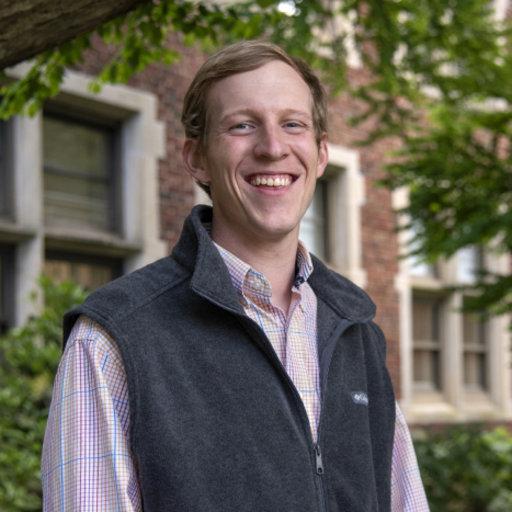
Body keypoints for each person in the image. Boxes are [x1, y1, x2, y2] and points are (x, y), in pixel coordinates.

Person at [42, 41, 429, 511]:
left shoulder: (357, 332)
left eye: (293, 124)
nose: (273, 148)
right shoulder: (114, 339)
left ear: (321, 153)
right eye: (242, 125)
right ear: (197, 157)